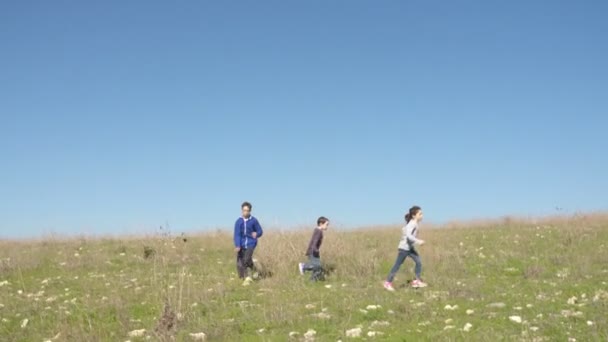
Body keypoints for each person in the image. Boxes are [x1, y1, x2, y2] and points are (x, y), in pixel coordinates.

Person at [384, 206, 428, 291]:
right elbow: (408, 236)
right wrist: (419, 241)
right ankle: (387, 283)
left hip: (409, 248)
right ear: (414, 216)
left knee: (418, 262)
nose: (422, 215)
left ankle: (416, 281)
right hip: (404, 249)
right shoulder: (412, 224)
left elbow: (406, 232)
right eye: (420, 214)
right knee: (397, 265)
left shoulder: (413, 223)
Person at [233, 201, 264, 286]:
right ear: (241, 211)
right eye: (244, 210)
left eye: (247, 210)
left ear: (250, 211)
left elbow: (260, 231)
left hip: (251, 243)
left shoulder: (253, 221)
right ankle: (255, 270)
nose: (245, 212)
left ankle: (248, 278)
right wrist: (238, 245)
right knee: (241, 263)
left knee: (247, 259)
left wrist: (257, 234)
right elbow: (237, 235)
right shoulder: (238, 222)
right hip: (242, 244)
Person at [298, 216, 330, 281]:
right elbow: (315, 241)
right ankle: (303, 266)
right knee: (317, 266)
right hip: (313, 251)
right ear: (321, 224)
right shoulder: (318, 231)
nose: (327, 226)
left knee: (318, 268)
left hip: (314, 251)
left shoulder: (317, 230)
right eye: (326, 224)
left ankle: (312, 281)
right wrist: (315, 250)